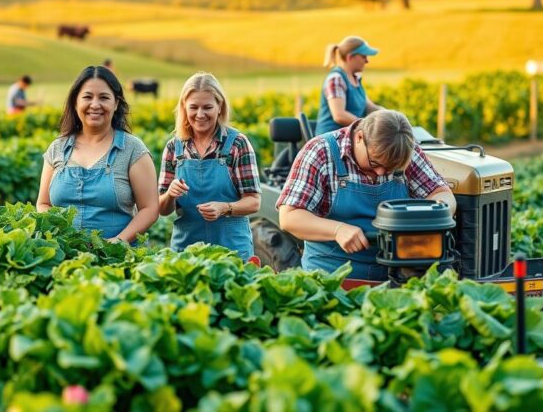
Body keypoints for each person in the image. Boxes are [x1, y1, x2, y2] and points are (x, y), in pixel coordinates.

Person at [277, 110, 456, 280]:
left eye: (391, 169)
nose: (380, 172)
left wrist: (424, 221)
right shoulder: (320, 152)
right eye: (375, 162)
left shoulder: (404, 150)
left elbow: (442, 194)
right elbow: (289, 217)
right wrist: (338, 230)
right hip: (332, 274)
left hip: (396, 273)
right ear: (360, 137)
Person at [36, 66, 159, 242]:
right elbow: (43, 203)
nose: (95, 104)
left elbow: (150, 208)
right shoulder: (57, 148)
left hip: (119, 258)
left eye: (104, 97)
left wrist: (118, 241)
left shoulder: (132, 149)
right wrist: (61, 235)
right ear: (75, 102)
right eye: (87, 97)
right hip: (64, 255)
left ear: (116, 103)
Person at [158, 72, 261, 260]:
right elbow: (163, 209)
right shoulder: (174, 148)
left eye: (207, 107)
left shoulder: (237, 144)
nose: (200, 114)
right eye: (193, 107)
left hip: (232, 251)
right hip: (186, 253)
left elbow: (254, 201)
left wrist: (225, 208)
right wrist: (170, 194)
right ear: (184, 108)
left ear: (219, 107)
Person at [314, 36, 383, 136]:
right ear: (350, 57)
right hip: (331, 140)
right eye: (364, 57)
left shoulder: (356, 79)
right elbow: (339, 115)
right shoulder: (336, 79)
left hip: (349, 136)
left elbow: (369, 106)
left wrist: (390, 116)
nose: (367, 61)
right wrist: (368, 126)